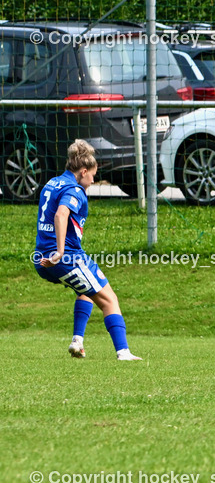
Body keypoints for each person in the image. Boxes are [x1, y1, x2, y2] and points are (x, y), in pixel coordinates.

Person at [34, 140, 143, 361]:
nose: (93, 180)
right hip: (65, 258)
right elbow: (61, 214)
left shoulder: (52, 183)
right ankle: (123, 353)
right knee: (109, 299)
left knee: (85, 290)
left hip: (40, 259)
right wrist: (61, 252)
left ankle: (78, 341)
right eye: (93, 175)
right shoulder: (74, 189)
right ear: (83, 171)